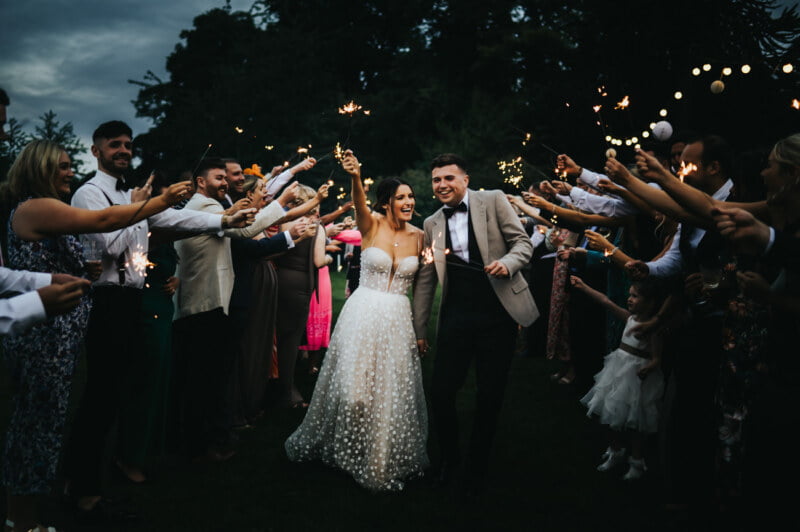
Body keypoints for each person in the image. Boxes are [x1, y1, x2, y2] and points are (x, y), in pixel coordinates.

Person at [63, 121, 252, 524]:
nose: (123, 150)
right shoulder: (89, 193)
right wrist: (141, 208)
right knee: (99, 397)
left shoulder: (130, 196)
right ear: (96, 151)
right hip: (106, 301)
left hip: (133, 301)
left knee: (120, 392)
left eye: (127, 144)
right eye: (114, 144)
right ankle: (82, 488)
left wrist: (222, 221)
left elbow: (175, 222)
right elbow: (107, 245)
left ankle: (100, 476)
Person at [0, 139, 187, 532]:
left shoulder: (48, 208)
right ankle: (23, 520)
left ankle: (36, 508)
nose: (70, 172)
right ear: (39, 169)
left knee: (47, 422)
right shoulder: (36, 206)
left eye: (71, 165)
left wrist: (80, 269)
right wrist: (161, 200)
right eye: (62, 166)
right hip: (43, 334)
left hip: (59, 334)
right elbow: (103, 221)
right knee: (36, 424)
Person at [286, 151, 429, 491]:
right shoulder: (371, 224)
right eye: (401, 197)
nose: (409, 202)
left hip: (397, 318)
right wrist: (355, 176)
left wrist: (420, 329)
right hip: (363, 313)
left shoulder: (420, 236)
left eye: (410, 196)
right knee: (354, 389)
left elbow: (424, 282)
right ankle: (345, 445)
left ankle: (378, 455)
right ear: (387, 202)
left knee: (390, 388)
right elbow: (360, 203)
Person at [412, 153, 537, 495]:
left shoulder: (492, 200)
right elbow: (426, 280)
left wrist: (508, 263)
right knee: (441, 392)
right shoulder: (432, 223)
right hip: (456, 316)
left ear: (465, 180)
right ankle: (450, 460)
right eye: (436, 179)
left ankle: (476, 468)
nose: (441, 185)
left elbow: (522, 243)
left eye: (448, 178)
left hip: (497, 314)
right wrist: (420, 329)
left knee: (489, 395)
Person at [571, 276, 665, 480]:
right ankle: (615, 449)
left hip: (636, 377)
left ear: (650, 302)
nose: (629, 299)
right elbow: (606, 301)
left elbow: (657, 358)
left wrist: (649, 368)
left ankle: (637, 461)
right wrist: (584, 286)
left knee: (635, 421)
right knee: (608, 412)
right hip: (618, 370)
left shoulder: (653, 329)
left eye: (635, 296)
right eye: (630, 295)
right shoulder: (629, 318)